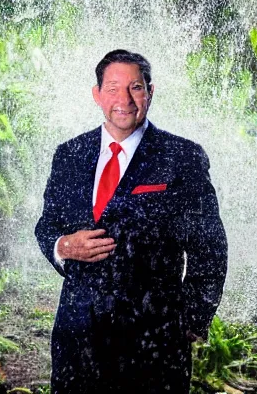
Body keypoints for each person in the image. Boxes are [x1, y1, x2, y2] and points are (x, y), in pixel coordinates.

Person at [35, 50, 227, 394]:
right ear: (97, 95)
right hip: (77, 335)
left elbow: (209, 246)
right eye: (112, 89)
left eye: (135, 88)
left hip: (154, 340)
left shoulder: (181, 157)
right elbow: (47, 225)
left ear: (150, 93)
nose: (123, 100)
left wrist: (193, 319)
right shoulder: (69, 154)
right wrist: (63, 246)